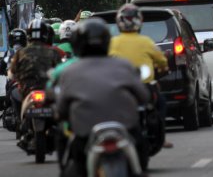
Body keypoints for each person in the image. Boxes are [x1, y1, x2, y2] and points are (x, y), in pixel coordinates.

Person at [56, 18, 150, 175]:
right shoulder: (123, 65)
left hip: (85, 133)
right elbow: (143, 96)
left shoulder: (69, 71)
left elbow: (61, 108)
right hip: (126, 128)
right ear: (107, 42)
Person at [108, 4, 172, 148]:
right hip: (144, 87)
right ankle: (161, 137)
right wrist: (163, 68)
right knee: (160, 103)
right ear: (139, 22)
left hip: (118, 88)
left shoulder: (112, 43)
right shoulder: (146, 41)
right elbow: (162, 61)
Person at [9, 19, 61, 149]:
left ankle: (20, 122)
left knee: (14, 94)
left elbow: (12, 72)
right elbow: (61, 71)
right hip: (49, 91)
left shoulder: (21, 53)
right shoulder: (53, 52)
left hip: (27, 91)